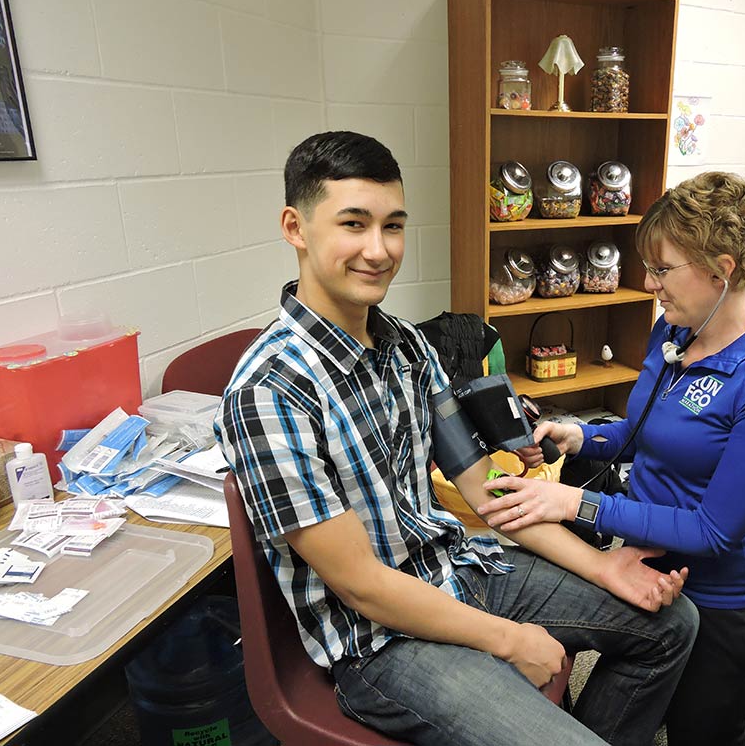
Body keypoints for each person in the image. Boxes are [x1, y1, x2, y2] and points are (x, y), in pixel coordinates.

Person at [216, 130, 699, 746]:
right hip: (379, 641)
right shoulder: (268, 392)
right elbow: (362, 585)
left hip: (455, 568)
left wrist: (604, 568)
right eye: (353, 224)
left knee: (671, 624)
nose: (378, 249)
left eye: (393, 226)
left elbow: (487, 490)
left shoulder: (408, 347)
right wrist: (511, 639)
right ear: (295, 228)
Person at [478, 171, 745, 746]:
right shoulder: (675, 329)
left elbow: (713, 532)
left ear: (722, 268)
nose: (648, 282)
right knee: (623, 712)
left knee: (708, 736)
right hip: (648, 568)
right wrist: (583, 438)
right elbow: (643, 431)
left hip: (722, 592)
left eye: (662, 270)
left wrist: (578, 503)